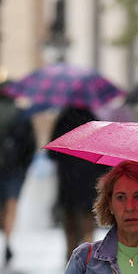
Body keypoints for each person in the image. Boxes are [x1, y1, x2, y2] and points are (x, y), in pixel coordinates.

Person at [0, 87, 36, 265]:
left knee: (1, 203)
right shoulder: (22, 115)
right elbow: (31, 144)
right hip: (16, 167)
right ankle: (8, 237)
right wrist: (26, 163)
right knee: (12, 202)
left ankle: (5, 237)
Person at [50, 105, 107, 260]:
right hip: (89, 181)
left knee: (70, 221)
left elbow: (52, 153)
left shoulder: (63, 120)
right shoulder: (93, 121)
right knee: (88, 220)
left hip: (68, 179)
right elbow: (105, 159)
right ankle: (88, 259)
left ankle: (70, 257)